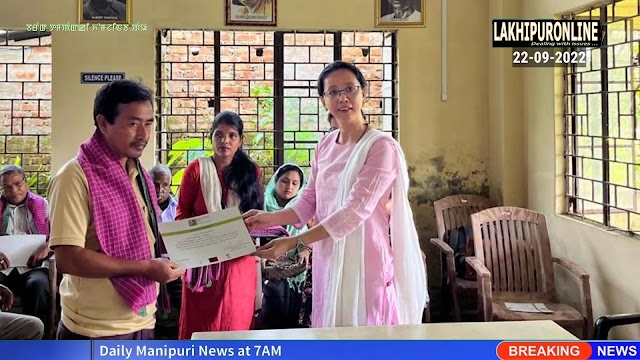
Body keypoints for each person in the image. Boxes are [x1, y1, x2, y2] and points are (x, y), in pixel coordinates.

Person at [244, 60, 428, 327]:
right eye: (333, 92)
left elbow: (354, 212)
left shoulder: (381, 147)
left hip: (367, 260)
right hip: (328, 255)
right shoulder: (325, 145)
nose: (343, 98)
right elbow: (310, 200)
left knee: (366, 335)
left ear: (364, 93)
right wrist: (267, 219)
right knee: (331, 329)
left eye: (350, 89)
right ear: (323, 101)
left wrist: (294, 243)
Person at [47, 79, 184, 340]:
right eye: (133, 124)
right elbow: (68, 258)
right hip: (95, 331)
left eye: (149, 123)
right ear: (103, 123)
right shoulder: (74, 177)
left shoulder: (138, 173)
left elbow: (148, 234)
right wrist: (145, 268)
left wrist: (200, 241)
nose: (143, 134)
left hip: (143, 318)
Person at [176, 111, 263, 339]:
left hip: (238, 261)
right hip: (202, 263)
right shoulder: (196, 169)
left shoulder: (251, 171)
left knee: (235, 321)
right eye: (219, 134)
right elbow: (182, 211)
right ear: (211, 138)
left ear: (240, 140)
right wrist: (201, 233)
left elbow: (257, 214)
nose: (225, 141)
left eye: (232, 135)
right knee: (200, 324)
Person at [256, 164, 309, 329]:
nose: (289, 187)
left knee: (290, 321)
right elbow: (254, 239)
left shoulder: (303, 210)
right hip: (266, 272)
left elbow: (309, 238)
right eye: (285, 181)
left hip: (294, 272)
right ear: (275, 181)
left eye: (295, 183)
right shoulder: (260, 206)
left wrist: (306, 249)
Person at [0, 165, 52, 329]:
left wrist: (48, 245)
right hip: (2, 269)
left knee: (39, 286)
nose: (14, 190)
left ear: (26, 182)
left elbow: (60, 233)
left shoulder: (43, 205)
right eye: (7, 187)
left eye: (18, 184)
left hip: (33, 269)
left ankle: (36, 337)